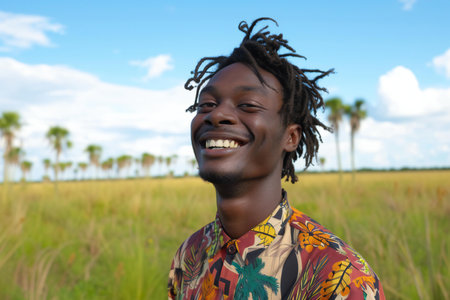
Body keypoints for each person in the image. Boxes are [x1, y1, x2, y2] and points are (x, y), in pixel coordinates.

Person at [168, 18, 385, 300]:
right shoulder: (190, 253)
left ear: (291, 137)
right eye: (206, 104)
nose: (216, 114)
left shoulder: (341, 276)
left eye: (247, 105)